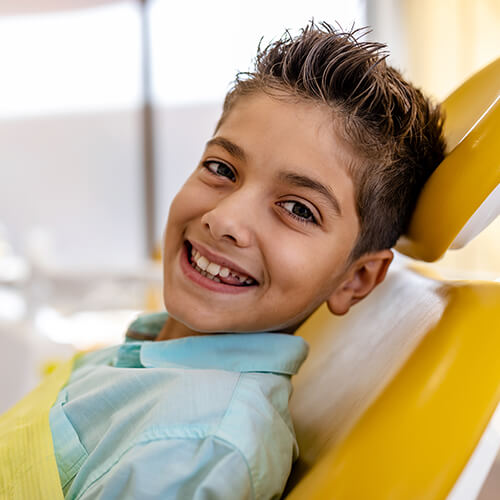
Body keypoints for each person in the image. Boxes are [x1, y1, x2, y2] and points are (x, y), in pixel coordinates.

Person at [42, 22, 445, 499]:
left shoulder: (197, 449)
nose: (223, 218)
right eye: (221, 169)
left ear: (356, 280)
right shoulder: (155, 357)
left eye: (298, 209)